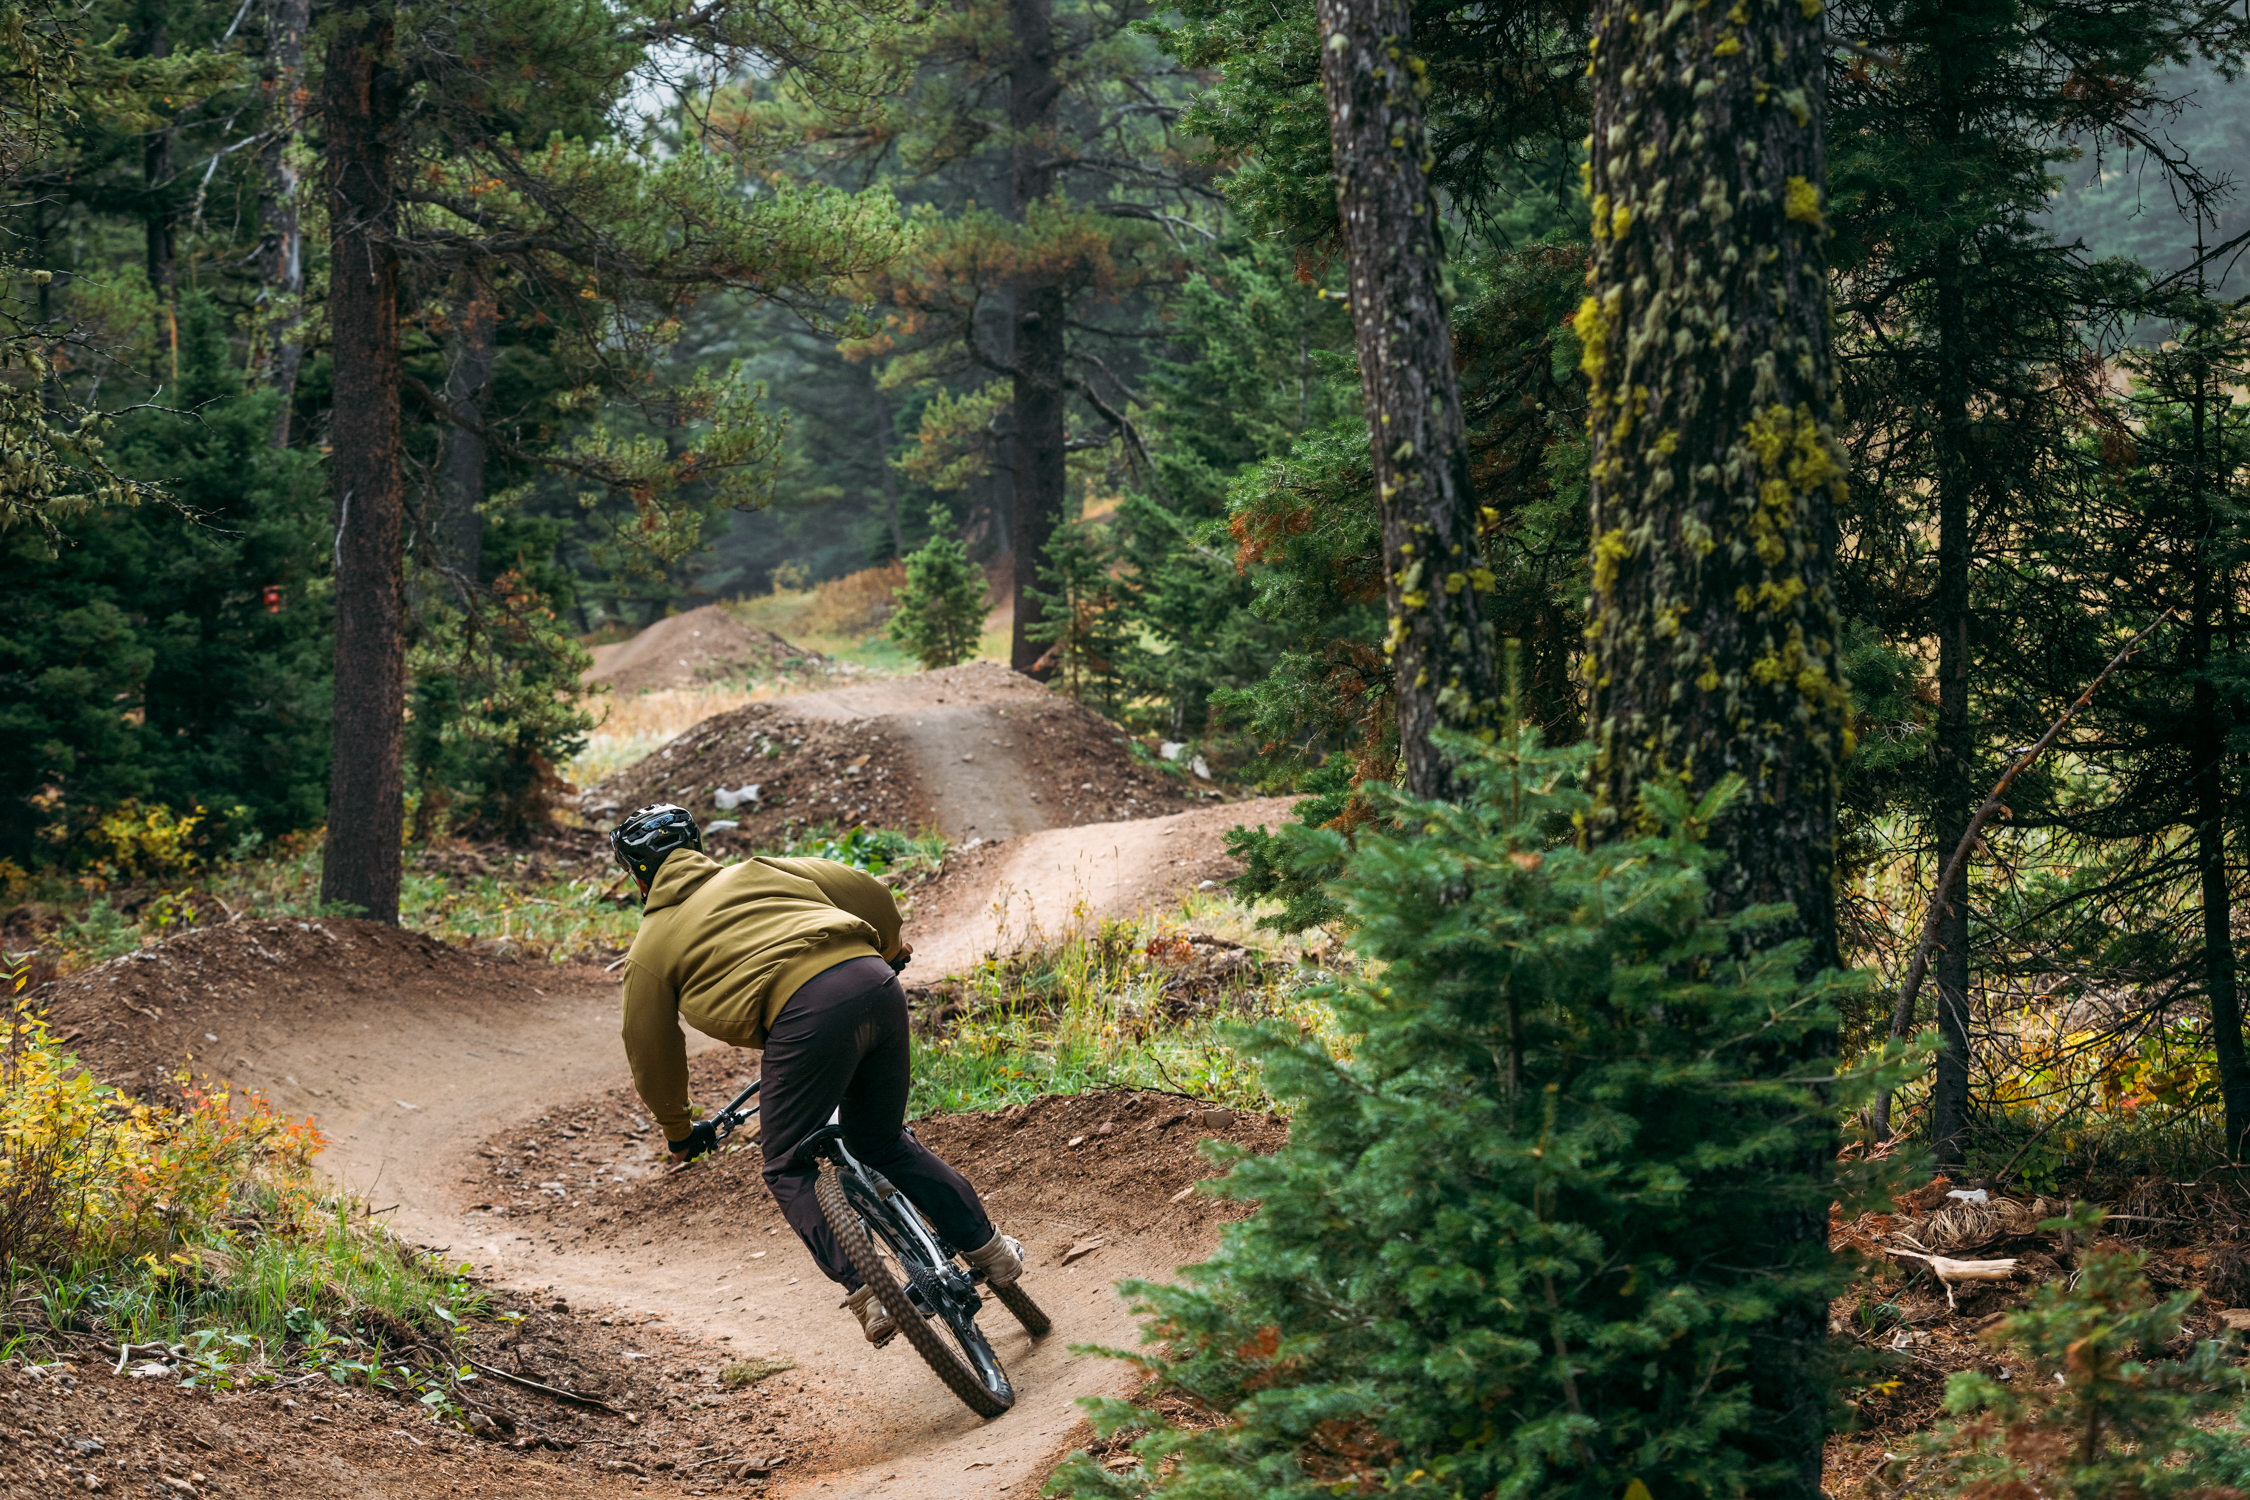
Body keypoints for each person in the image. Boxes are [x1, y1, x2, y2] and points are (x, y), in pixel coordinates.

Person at [608, 802, 1024, 1344]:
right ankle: (991, 1251)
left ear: (637, 874)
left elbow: (650, 1049)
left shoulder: (651, 946)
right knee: (882, 1141)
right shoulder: (765, 869)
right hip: (873, 982)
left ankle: (872, 1294)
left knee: (785, 1163)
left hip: (803, 1021)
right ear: (695, 847)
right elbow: (866, 889)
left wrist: (680, 1130)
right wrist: (890, 949)